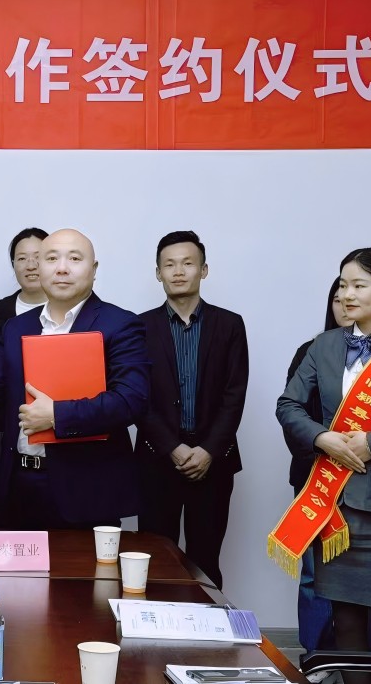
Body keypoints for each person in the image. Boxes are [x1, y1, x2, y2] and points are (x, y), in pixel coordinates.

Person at [277, 248, 371, 684]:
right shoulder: (323, 345)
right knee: (344, 620)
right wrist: (321, 437)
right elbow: (288, 404)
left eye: (359, 285)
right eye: (343, 285)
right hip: (335, 507)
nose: (347, 294)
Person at [0, 228, 150, 529]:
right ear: (39, 267)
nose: (62, 268)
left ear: (94, 269)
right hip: (19, 485)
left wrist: (56, 415)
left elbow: (131, 400)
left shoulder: (120, 324)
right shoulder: (16, 327)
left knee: (82, 563)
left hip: (85, 491)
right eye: (51, 258)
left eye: (74, 258)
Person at [135, 231, 248, 590]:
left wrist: (208, 450)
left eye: (187, 263)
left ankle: (209, 626)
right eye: (169, 265)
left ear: (204, 270)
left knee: (206, 561)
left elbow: (234, 393)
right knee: (154, 561)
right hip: (157, 459)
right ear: (158, 273)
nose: (179, 271)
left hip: (213, 462)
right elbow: (138, 396)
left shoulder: (230, 324)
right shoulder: (139, 327)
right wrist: (172, 447)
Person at [281, 280, 347, 654]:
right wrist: (322, 454)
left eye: (353, 295)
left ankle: (365, 660)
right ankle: (317, 656)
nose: (345, 304)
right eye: (337, 299)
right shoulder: (311, 351)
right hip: (315, 479)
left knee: (365, 576)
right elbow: (292, 414)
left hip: (367, 478)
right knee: (313, 573)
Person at [0, 228, 48, 354]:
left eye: (38, 257)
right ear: (13, 264)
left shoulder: (71, 310)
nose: (31, 266)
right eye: (22, 258)